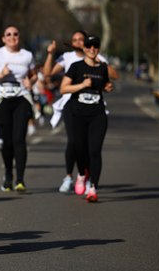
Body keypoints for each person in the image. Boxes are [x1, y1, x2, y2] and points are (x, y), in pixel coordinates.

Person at [44, 31, 117, 193]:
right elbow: (48, 74)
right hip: (72, 106)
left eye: (81, 40)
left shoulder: (99, 61)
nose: (78, 42)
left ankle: (91, 184)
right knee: (75, 143)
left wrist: (105, 79)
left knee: (94, 149)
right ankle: (71, 176)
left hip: (96, 109)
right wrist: (50, 54)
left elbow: (112, 77)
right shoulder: (68, 59)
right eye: (75, 40)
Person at [60, 35, 112, 202]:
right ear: (84, 48)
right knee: (79, 149)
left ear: (98, 49)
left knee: (95, 151)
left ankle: (93, 188)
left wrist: (107, 87)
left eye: (95, 46)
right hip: (78, 114)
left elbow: (105, 84)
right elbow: (63, 88)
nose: (92, 49)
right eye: (88, 46)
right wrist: (82, 85)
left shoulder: (102, 68)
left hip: (97, 114)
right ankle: (82, 174)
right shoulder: (76, 67)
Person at [0, 25, 36, 192]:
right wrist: (1, 74)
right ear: (3, 38)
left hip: (21, 98)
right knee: (7, 141)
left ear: (19, 37)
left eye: (15, 34)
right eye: (8, 34)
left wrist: (30, 81)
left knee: (19, 139)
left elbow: (33, 75)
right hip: (4, 99)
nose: (12, 37)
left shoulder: (27, 55)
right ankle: (8, 176)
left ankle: (20, 179)